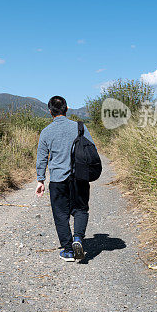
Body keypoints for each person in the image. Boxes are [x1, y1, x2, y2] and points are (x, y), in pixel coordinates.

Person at [34, 95, 94, 262]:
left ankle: (68, 251)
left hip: (58, 179)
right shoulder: (80, 127)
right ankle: (78, 238)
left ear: (50, 112)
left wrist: (40, 180)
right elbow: (91, 149)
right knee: (80, 209)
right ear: (67, 109)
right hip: (80, 177)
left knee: (60, 214)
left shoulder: (46, 132)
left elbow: (42, 158)